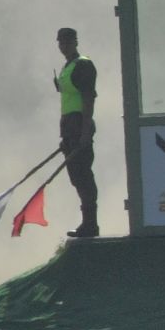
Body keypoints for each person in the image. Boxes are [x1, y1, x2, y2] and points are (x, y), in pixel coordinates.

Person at [54, 27, 99, 239]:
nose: (64, 46)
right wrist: (66, 138)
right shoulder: (67, 67)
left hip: (81, 125)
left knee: (83, 176)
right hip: (69, 129)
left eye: (68, 42)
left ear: (75, 42)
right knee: (76, 177)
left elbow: (88, 98)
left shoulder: (83, 65)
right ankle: (87, 223)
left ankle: (91, 225)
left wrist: (85, 132)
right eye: (61, 43)